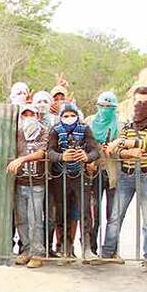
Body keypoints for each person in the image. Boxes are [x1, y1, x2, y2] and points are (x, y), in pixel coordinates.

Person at [99, 86, 147, 271]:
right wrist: (129, 150)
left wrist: (122, 143)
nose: (141, 105)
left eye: (145, 102)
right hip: (126, 174)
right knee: (115, 216)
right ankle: (108, 253)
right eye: (138, 102)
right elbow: (118, 152)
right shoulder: (129, 124)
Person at [46, 102, 100, 262]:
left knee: (84, 212)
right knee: (61, 213)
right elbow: (49, 151)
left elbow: (95, 150)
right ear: (60, 117)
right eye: (65, 115)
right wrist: (62, 157)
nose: (69, 118)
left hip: (80, 175)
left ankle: (87, 248)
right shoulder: (55, 130)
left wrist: (87, 157)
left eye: (72, 115)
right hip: (60, 176)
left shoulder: (84, 129)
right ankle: (64, 248)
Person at [8, 104, 49, 269]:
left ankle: (37, 253)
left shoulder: (44, 132)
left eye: (31, 114)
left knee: (36, 220)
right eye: (25, 114)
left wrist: (22, 160)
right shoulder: (17, 133)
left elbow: (42, 153)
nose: (28, 117)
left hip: (36, 183)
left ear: (37, 116)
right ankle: (26, 250)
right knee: (22, 219)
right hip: (20, 181)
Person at [85, 91, 121, 256]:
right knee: (93, 213)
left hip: (113, 173)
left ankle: (111, 250)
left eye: (109, 107)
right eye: (103, 106)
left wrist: (114, 148)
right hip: (93, 172)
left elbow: (125, 146)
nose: (106, 109)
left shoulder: (119, 124)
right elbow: (83, 144)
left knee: (113, 214)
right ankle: (91, 248)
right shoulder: (89, 122)